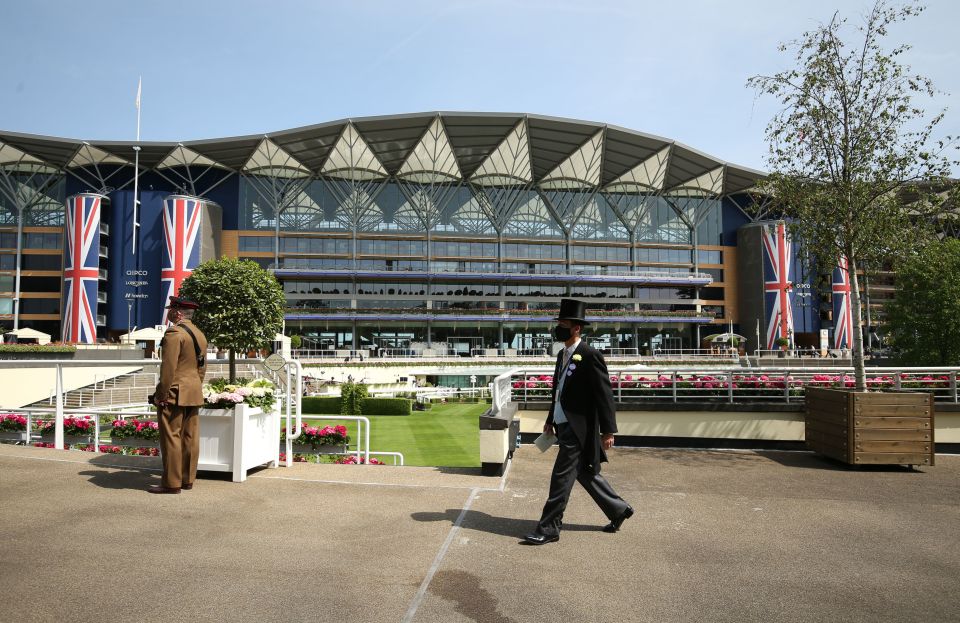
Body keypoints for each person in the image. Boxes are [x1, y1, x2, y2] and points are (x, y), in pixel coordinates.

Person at [524, 298, 633, 545]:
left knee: (561, 477)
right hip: (562, 424)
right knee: (585, 473)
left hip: (578, 428)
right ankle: (619, 509)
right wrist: (550, 419)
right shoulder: (562, 354)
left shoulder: (590, 355)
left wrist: (608, 430)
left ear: (577, 328)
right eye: (559, 323)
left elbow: (604, 395)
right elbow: (558, 390)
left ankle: (549, 528)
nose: (558, 327)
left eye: (563, 323)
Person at [149, 296, 208, 494]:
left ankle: (171, 483)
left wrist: (161, 394)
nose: (168, 313)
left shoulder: (174, 332)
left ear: (178, 312)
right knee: (190, 437)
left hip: (175, 391)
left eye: (170, 310)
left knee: (171, 437)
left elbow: (168, 369)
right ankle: (187, 479)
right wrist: (196, 386)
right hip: (193, 390)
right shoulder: (199, 334)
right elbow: (202, 367)